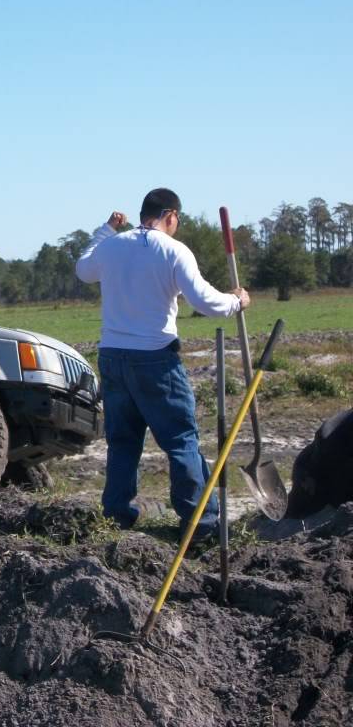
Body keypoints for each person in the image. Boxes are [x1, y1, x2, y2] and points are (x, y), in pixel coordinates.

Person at [75, 187, 251, 542]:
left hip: (112, 357)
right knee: (181, 440)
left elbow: (83, 269)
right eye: (177, 220)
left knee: (122, 442)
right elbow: (206, 302)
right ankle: (199, 525)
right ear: (170, 215)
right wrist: (237, 301)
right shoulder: (173, 250)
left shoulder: (111, 247)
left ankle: (116, 518)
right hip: (155, 359)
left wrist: (106, 229)